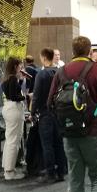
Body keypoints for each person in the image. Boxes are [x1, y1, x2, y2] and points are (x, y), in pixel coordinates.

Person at [47, 36, 97, 192]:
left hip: (69, 133)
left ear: (72, 51)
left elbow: (50, 104)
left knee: (75, 179)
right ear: (89, 51)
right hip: (95, 131)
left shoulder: (61, 72)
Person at [31, 47, 66, 183]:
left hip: (45, 113)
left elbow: (37, 96)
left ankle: (50, 172)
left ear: (44, 58)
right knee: (59, 143)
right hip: (59, 113)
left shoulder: (42, 74)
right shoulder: (61, 73)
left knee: (47, 145)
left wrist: (33, 112)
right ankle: (61, 172)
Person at [1, 57, 26, 180]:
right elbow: (14, 96)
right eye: (20, 66)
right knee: (13, 141)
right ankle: (9, 172)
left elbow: (13, 92)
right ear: (15, 66)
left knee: (10, 139)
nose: (21, 68)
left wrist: (20, 82)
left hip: (9, 108)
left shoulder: (7, 77)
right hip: (14, 109)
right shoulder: (12, 78)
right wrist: (26, 97)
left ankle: (7, 167)